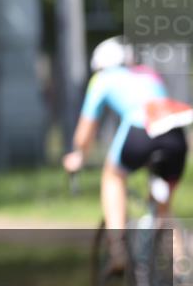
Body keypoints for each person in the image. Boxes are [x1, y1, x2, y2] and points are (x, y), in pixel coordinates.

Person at [63, 36, 191, 270]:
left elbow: (84, 133)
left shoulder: (102, 79)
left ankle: (117, 249)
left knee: (112, 177)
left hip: (140, 129)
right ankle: (182, 274)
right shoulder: (148, 74)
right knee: (163, 210)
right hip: (176, 134)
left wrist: (79, 155)